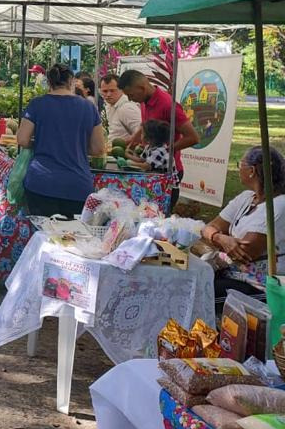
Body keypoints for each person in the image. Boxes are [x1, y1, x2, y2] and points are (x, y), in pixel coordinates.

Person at [16, 64, 106, 218]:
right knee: (72, 237)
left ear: (49, 83)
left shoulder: (37, 104)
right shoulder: (88, 107)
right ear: (71, 82)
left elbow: (22, 139)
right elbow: (98, 149)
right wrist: (76, 146)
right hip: (77, 184)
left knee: (45, 236)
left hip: (41, 182)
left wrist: (41, 143)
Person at [201, 146, 285, 300]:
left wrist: (215, 237)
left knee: (200, 291)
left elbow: (245, 253)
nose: (239, 169)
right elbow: (208, 228)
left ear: (251, 171)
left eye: (240, 164)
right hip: (232, 274)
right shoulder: (246, 198)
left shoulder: (279, 205)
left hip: (260, 285)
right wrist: (221, 238)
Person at [118, 69, 200, 211]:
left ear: (141, 88)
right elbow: (145, 125)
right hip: (152, 170)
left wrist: (164, 151)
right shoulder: (144, 101)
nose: (131, 100)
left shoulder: (168, 105)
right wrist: (134, 139)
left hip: (166, 173)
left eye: (131, 95)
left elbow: (193, 137)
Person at [99, 74, 141, 142]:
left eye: (112, 90)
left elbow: (142, 134)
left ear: (121, 90)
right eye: (105, 91)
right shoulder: (110, 106)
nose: (108, 95)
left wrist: (125, 144)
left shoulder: (127, 107)